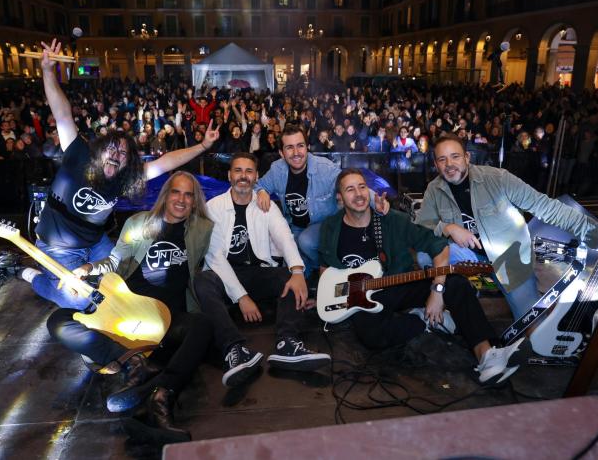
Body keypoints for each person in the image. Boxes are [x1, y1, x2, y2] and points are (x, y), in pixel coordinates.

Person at [19, 39, 220, 309]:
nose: (116, 155)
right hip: (57, 246)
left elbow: (166, 162)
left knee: (122, 282)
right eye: (111, 149)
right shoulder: (79, 155)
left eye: (123, 153)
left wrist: (203, 146)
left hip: (94, 242)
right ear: (99, 150)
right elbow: (63, 114)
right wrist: (47, 71)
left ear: (128, 162)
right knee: (79, 300)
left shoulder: (125, 178)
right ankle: (32, 276)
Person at [319, 168, 527, 385]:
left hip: (398, 282)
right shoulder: (331, 227)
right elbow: (326, 267)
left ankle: (487, 355)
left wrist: (437, 290)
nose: (358, 194)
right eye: (350, 189)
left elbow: (439, 247)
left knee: (456, 283)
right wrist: (324, 296)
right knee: (371, 335)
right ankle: (424, 320)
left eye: (362, 187)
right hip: (361, 297)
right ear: (340, 197)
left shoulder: (392, 220)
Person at [53, 172, 214, 442]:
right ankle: (134, 362)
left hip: (167, 318)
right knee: (59, 320)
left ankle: (162, 395)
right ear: (166, 195)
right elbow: (114, 261)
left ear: (195, 201)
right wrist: (88, 268)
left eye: (189, 195)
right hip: (126, 313)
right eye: (176, 192)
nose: (181, 200)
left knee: (202, 325)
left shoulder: (202, 229)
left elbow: (223, 243)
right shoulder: (138, 223)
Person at [415, 133, 598, 319]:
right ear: (436, 164)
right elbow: (421, 227)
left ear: (467, 157)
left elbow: (548, 208)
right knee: (425, 255)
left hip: (508, 262)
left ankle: (497, 292)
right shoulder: (434, 189)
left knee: (531, 327)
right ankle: (461, 292)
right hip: (469, 260)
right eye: (442, 159)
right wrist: (448, 228)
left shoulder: (498, 179)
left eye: (455, 156)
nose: (449, 164)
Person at [194, 153, 330, 388]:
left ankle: (287, 344)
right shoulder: (213, 207)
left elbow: (285, 237)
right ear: (229, 175)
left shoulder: (265, 204)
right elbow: (215, 257)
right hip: (225, 274)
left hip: (257, 272)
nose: (243, 176)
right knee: (203, 281)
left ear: (256, 177)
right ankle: (235, 350)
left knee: (290, 277)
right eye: (238, 170)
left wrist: (298, 271)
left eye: (249, 171)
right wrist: (242, 297)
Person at [254, 125, 389, 277]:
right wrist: (261, 191)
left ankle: (330, 269)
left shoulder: (324, 168)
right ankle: (312, 266)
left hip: (325, 224)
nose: (296, 152)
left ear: (307, 147)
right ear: (281, 153)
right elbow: (259, 185)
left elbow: (348, 182)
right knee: (292, 274)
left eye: (300, 146)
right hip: (295, 227)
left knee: (306, 241)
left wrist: (376, 203)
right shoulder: (277, 169)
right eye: (290, 148)